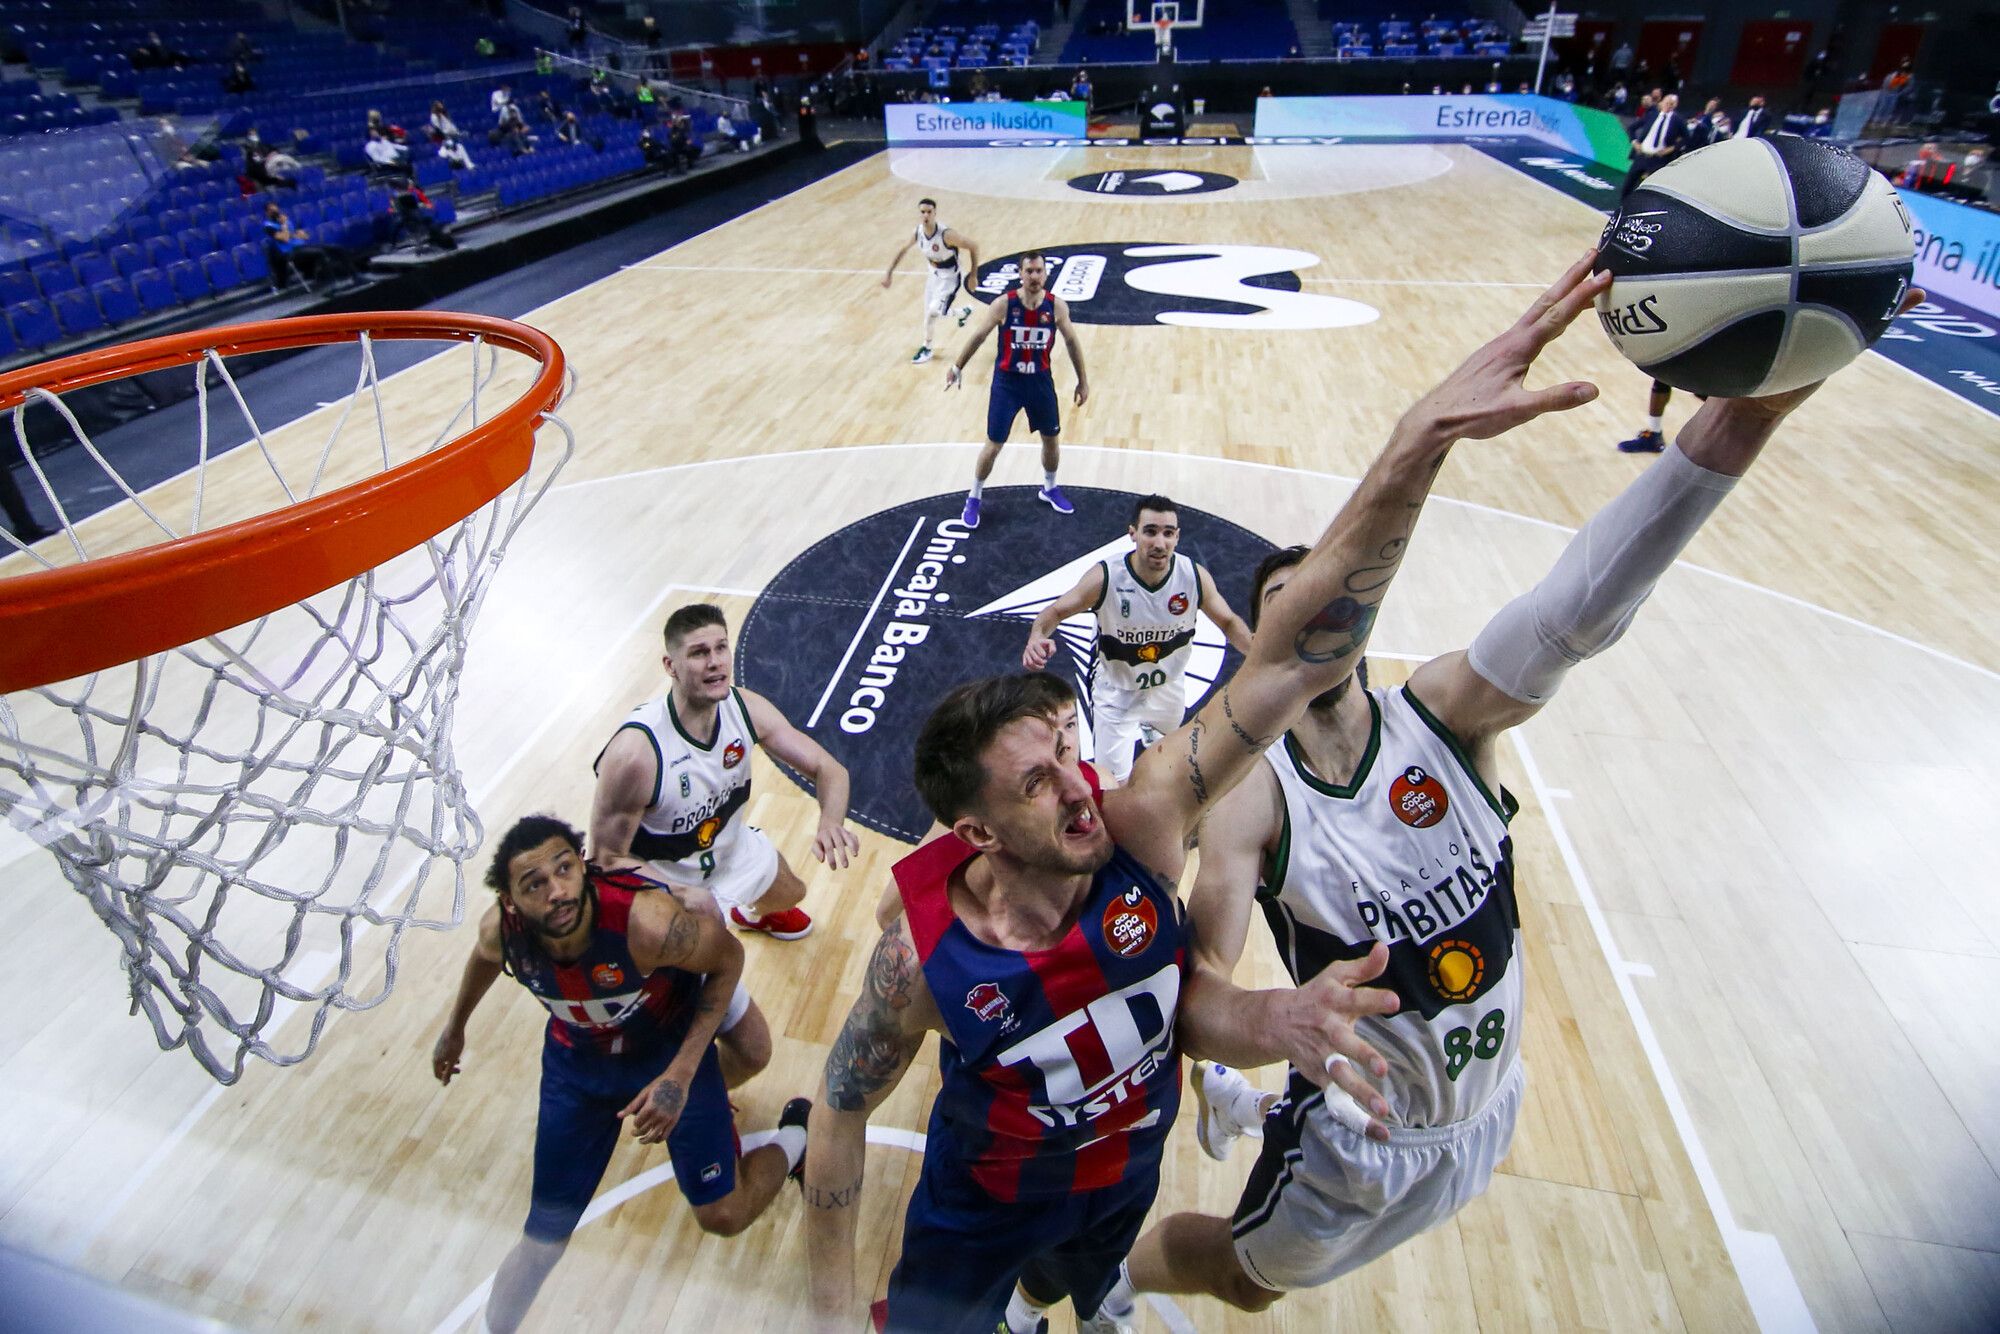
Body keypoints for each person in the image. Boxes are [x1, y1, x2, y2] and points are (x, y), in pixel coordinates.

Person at [799, 256, 1641, 1334]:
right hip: (980, 1205)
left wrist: (1414, 442)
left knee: (1062, 1288)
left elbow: (1289, 657)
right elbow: (841, 1105)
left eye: (1070, 750)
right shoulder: (923, 953)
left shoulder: (1137, 824)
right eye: (1041, 778)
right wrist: (825, 1314)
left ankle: (1039, 1300)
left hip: (1118, 1185)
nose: (1080, 787)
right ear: (974, 831)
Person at [1110, 263, 1927, 1319]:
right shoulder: (1253, 804)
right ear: (1266, 639)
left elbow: (1577, 604)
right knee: (1246, 1280)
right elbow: (1197, 998)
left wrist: (1745, 418)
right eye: (1285, 606)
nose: (1315, 620)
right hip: (1362, 1131)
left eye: (1325, 597)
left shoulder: (1440, 711)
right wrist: (1273, 1019)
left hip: (1489, 1106)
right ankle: (1114, 1278)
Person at [432, 815, 810, 1334]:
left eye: (565, 868)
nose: (558, 891)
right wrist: (455, 1028)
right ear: (511, 901)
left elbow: (728, 959)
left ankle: (797, 1137)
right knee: (543, 1237)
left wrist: (679, 1076)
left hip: (667, 1047)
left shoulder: (646, 923)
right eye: (534, 884)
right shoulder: (503, 932)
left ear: (583, 866)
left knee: (723, 1216)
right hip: (578, 1068)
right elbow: (482, 957)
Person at [591, 603, 859, 945]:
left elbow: (830, 770)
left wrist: (830, 822)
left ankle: (747, 914)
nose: (716, 661)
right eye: (699, 653)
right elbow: (605, 859)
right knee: (706, 973)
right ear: (670, 666)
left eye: (721, 647)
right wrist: (678, 891)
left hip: (727, 850)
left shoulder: (745, 709)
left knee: (793, 892)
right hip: (663, 881)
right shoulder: (636, 754)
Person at [1020, 494, 1253, 786]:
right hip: (1117, 692)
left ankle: (1150, 731)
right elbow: (1054, 611)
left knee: (1167, 768)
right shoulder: (1105, 578)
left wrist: (1257, 653)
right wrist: (1036, 637)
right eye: (1150, 531)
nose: (1159, 543)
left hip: (1168, 687)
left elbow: (1229, 622)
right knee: (1111, 784)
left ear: (1177, 537)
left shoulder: (1193, 577)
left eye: (1168, 533)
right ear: (1133, 534)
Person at [943, 251, 1089, 529]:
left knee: (1051, 439)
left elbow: (1071, 342)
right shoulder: (1003, 305)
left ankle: (1049, 488)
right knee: (994, 444)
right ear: (1020, 274)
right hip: (1007, 384)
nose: (1034, 276)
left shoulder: (1056, 307)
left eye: (1038, 271)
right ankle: (973, 497)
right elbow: (978, 336)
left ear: (1045, 274)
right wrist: (957, 366)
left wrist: (1083, 380)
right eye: (1029, 271)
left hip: (1040, 382)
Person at [881, 198, 978, 366]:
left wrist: (974, 275)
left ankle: (927, 347)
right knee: (931, 312)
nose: (925, 215)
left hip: (950, 277)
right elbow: (903, 250)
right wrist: (889, 272)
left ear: (935, 214)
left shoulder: (946, 235)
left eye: (929, 212)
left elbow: (974, 246)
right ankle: (963, 312)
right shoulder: (918, 232)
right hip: (933, 275)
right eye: (922, 212)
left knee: (934, 311)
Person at [1622, 91, 1683, 196]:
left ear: (1675, 105)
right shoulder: (1652, 115)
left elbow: (1686, 138)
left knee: (1646, 191)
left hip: (1658, 160)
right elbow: (1632, 128)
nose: (1669, 106)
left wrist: (1672, 148)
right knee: (1628, 185)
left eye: (1672, 104)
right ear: (1662, 102)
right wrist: (1635, 142)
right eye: (1667, 103)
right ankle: (1621, 208)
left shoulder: (1678, 121)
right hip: (1642, 155)